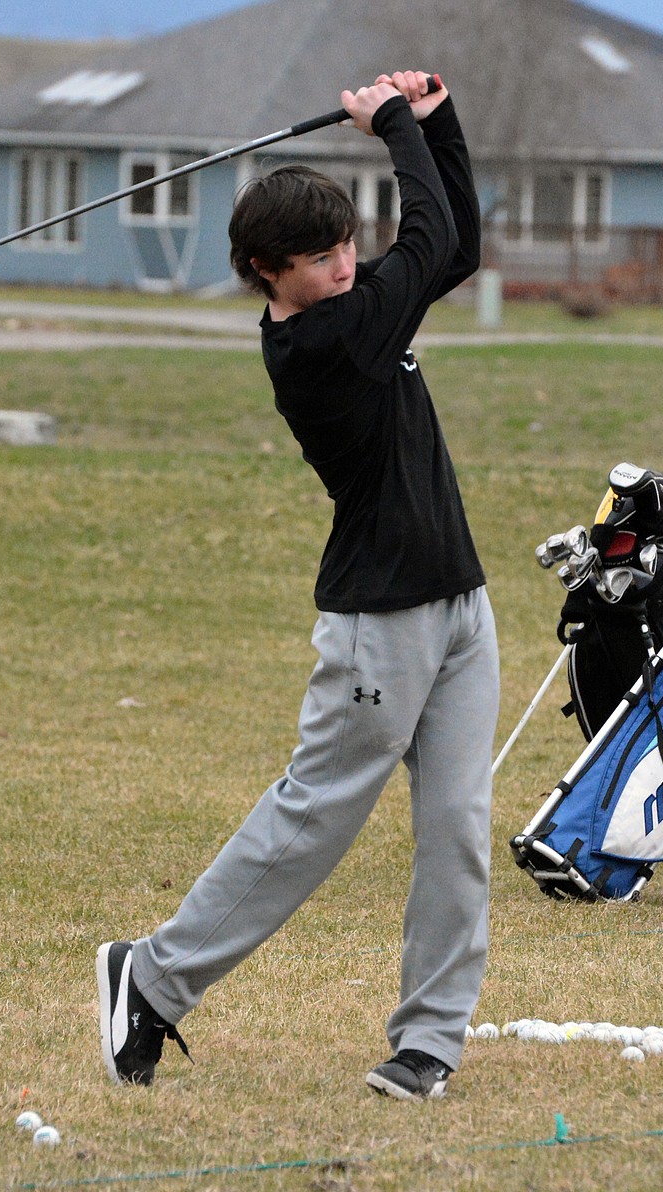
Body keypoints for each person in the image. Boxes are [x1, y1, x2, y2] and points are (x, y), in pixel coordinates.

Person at [96, 70, 499, 1102]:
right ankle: (150, 977)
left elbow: (454, 244)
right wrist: (398, 126)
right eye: (321, 257)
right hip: (378, 624)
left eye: (346, 246)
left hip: (459, 602)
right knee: (314, 819)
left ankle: (428, 1042)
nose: (344, 263)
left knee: (457, 827)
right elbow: (424, 240)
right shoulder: (323, 340)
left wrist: (437, 121)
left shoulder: (358, 306)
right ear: (266, 271)